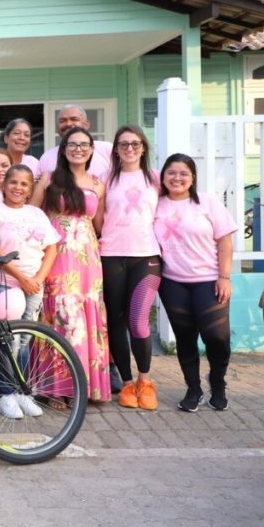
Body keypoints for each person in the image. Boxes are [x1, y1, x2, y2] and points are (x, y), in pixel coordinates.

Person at [31, 127, 110, 403]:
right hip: (57, 255)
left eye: (84, 145)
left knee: (87, 319)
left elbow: (98, 224)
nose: (79, 149)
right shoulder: (49, 180)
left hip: (89, 259)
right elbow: (31, 216)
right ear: (63, 150)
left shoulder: (99, 183)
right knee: (63, 317)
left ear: (91, 150)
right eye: (73, 144)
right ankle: (57, 388)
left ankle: (86, 388)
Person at [155, 153, 236, 412]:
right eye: (171, 172)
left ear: (192, 178)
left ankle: (218, 382)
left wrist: (224, 277)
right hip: (172, 282)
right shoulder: (156, 205)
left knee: (217, 336)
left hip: (209, 280)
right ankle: (193, 388)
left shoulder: (207, 202)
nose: (176, 178)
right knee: (185, 337)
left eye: (183, 173)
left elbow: (224, 241)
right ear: (163, 176)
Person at [0, 165, 60, 419]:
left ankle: (21, 392)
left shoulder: (36, 213)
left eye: (24, 184)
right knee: (8, 340)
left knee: (25, 340)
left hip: (33, 284)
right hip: (3, 282)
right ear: (4, 185)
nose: (18, 187)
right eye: (13, 182)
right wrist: (23, 278)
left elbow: (52, 249)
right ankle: (6, 394)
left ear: (30, 189)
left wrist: (37, 278)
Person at [101, 126, 162, 411]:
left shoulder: (155, 179)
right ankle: (126, 383)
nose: (129, 148)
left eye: (135, 143)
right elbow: (98, 218)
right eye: (123, 144)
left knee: (138, 321)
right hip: (111, 255)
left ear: (143, 147)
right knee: (116, 319)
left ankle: (145, 381)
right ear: (116, 149)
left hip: (146, 256)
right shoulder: (105, 179)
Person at [35, 105, 113, 179]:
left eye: (74, 119)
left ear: (86, 124)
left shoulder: (106, 150)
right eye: (62, 121)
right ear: (57, 128)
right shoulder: (47, 157)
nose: (68, 124)